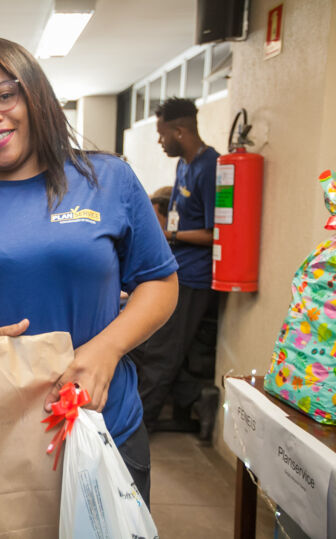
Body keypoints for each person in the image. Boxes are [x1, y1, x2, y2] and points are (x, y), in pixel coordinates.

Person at [0, 37, 178, 505]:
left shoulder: (106, 179)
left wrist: (105, 352)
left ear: (33, 93)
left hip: (100, 426)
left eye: (4, 95)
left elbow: (159, 282)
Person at [130, 97, 220, 441]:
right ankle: (197, 398)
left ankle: (139, 429)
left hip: (195, 277)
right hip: (176, 269)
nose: (159, 140)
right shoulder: (185, 164)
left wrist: (169, 233)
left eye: (162, 133)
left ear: (179, 131)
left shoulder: (210, 167)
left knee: (160, 354)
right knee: (150, 345)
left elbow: (216, 233)